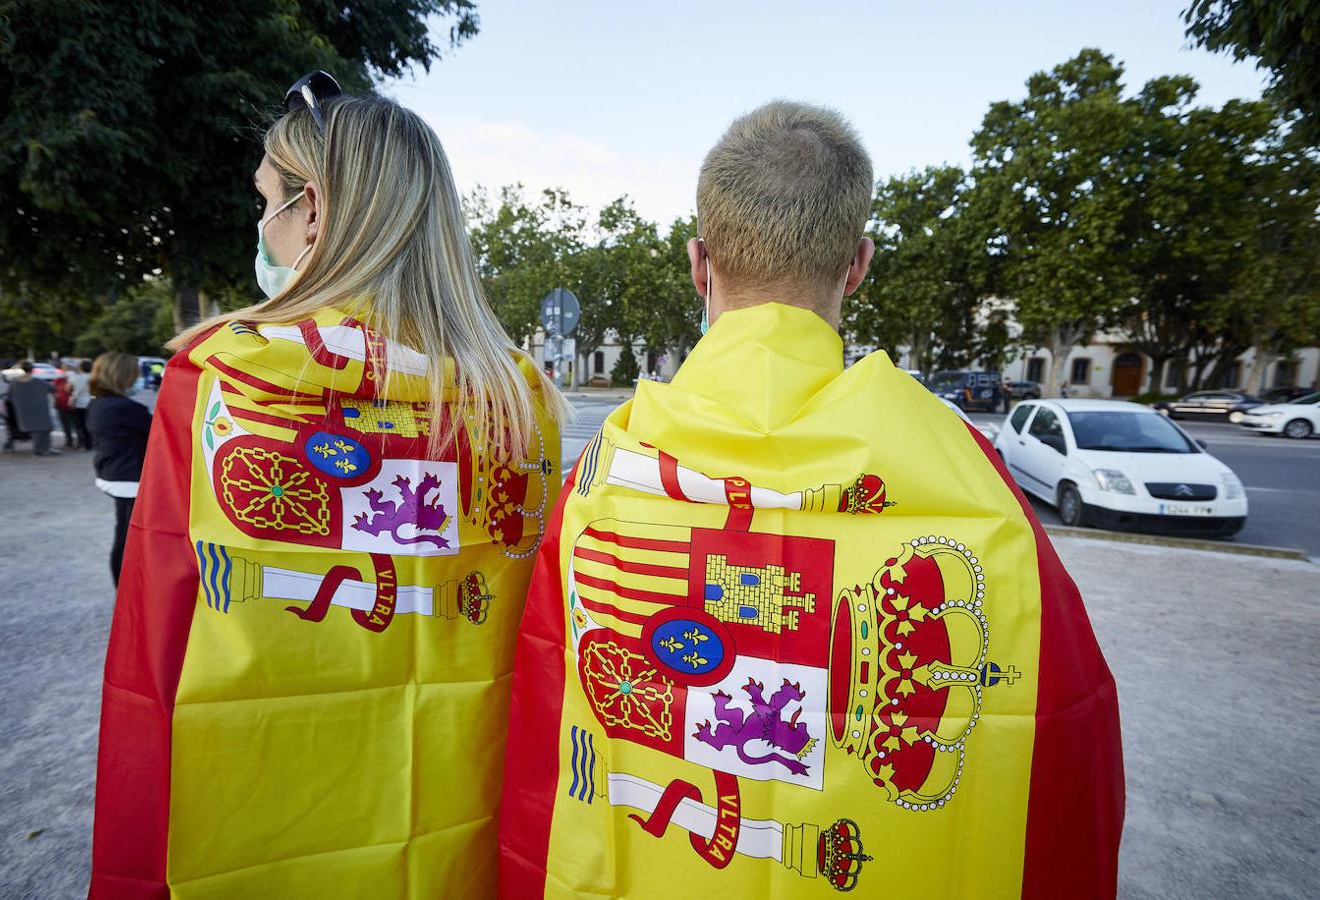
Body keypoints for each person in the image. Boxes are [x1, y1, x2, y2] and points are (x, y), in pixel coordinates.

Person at [499, 101, 1124, 899]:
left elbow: (543, 738)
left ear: (699, 264)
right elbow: (1060, 730)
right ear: (857, 265)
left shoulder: (610, 474)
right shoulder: (965, 474)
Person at [89, 72, 563, 899]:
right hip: (456, 823)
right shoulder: (517, 401)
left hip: (251, 819)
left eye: (265, 199)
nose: (260, 224)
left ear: (314, 210)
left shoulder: (220, 380)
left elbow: (153, 640)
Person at [86, 352, 151, 584]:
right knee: (129, 538)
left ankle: (123, 584)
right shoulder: (126, 408)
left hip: (112, 474)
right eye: (134, 374)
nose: (137, 379)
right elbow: (159, 434)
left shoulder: (98, 403)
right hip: (129, 479)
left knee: (122, 531)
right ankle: (126, 586)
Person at [6, 360, 57, 455]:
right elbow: (53, 389)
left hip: (23, 411)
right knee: (44, 428)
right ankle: (43, 449)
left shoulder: (14, 382)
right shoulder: (38, 382)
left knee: (34, 428)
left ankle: (40, 449)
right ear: (32, 369)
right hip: (40, 409)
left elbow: (9, 395)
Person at [69, 359, 94, 450]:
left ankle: (83, 443)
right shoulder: (94, 377)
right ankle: (91, 442)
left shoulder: (76, 377)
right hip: (92, 402)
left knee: (80, 425)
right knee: (91, 424)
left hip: (79, 403)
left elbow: (70, 389)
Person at [53, 364, 77, 449]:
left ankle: (70, 441)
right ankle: (74, 441)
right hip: (71, 404)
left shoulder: (59, 380)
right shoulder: (74, 379)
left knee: (67, 424)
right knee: (74, 424)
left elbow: (54, 391)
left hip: (63, 404)